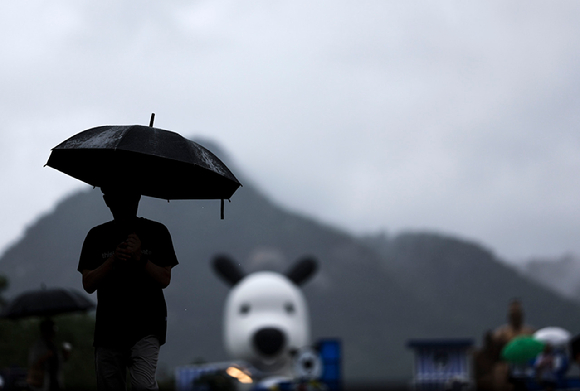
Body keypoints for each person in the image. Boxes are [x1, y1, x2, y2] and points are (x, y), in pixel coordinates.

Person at [78, 185, 179, 391]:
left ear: (138, 198)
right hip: (108, 330)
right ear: (107, 201)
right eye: (115, 198)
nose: (122, 204)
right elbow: (88, 283)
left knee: (143, 385)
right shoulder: (96, 236)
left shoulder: (157, 232)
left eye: (127, 198)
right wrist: (113, 260)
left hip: (147, 327)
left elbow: (164, 278)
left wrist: (139, 257)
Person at [27, 319, 71, 391]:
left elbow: (58, 363)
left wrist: (64, 356)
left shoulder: (52, 345)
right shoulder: (38, 346)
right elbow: (33, 363)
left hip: (55, 382)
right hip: (43, 384)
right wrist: (46, 356)